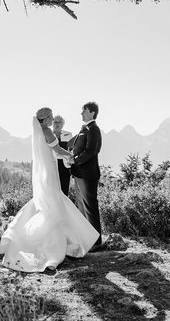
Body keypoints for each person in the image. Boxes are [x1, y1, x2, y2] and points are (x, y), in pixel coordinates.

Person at [0, 107, 100, 272]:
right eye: (51, 116)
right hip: (49, 173)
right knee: (55, 203)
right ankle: (59, 244)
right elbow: (58, 150)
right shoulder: (47, 131)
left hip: (47, 171)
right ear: (46, 118)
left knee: (52, 204)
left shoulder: (41, 131)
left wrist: (67, 156)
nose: (53, 119)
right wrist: (70, 157)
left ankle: (66, 241)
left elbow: (54, 152)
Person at [70, 102, 103, 250]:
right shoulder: (85, 129)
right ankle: (86, 239)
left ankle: (96, 242)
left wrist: (74, 160)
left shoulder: (93, 129)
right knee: (81, 207)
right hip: (79, 174)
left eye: (84, 111)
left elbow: (91, 151)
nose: (81, 114)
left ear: (92, 112)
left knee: (90, 208)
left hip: (88, 174)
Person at [53, 114, 73, 196]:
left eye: (59, 122)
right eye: (55, 122)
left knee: (64, 191)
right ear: (52, 123)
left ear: (63, 124)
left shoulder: (68, 135)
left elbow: (71, 150)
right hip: (53, 165)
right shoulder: (48, 135)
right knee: (53, 191)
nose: (57, 123)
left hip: (65, 166)